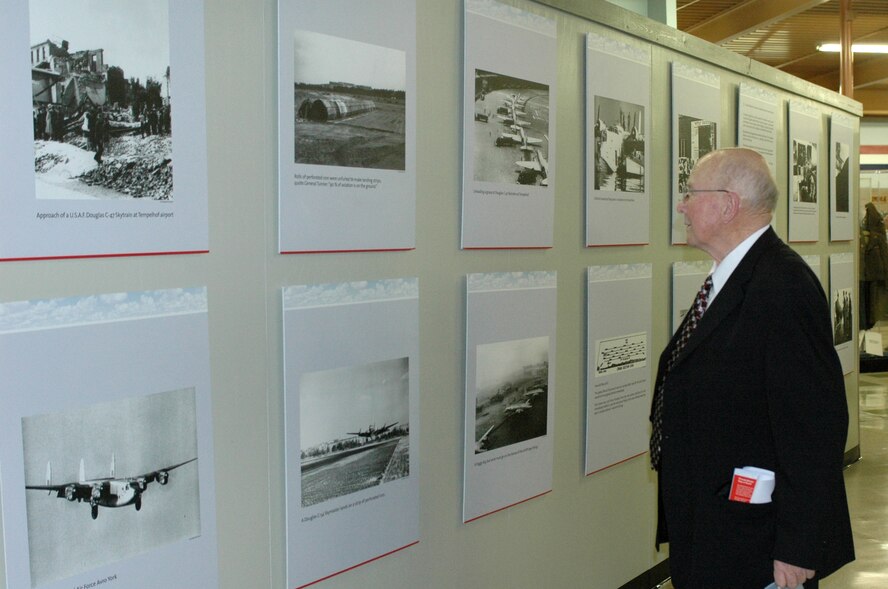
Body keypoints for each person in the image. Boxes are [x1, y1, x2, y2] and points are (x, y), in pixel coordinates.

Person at [650, 148, 854, 589]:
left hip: (755, 544)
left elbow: (815, 427)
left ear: (728, 205)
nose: (682, 205)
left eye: (690, 193)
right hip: (719, 528)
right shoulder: (733, 278)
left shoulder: (782, 286)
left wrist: (798, 547)